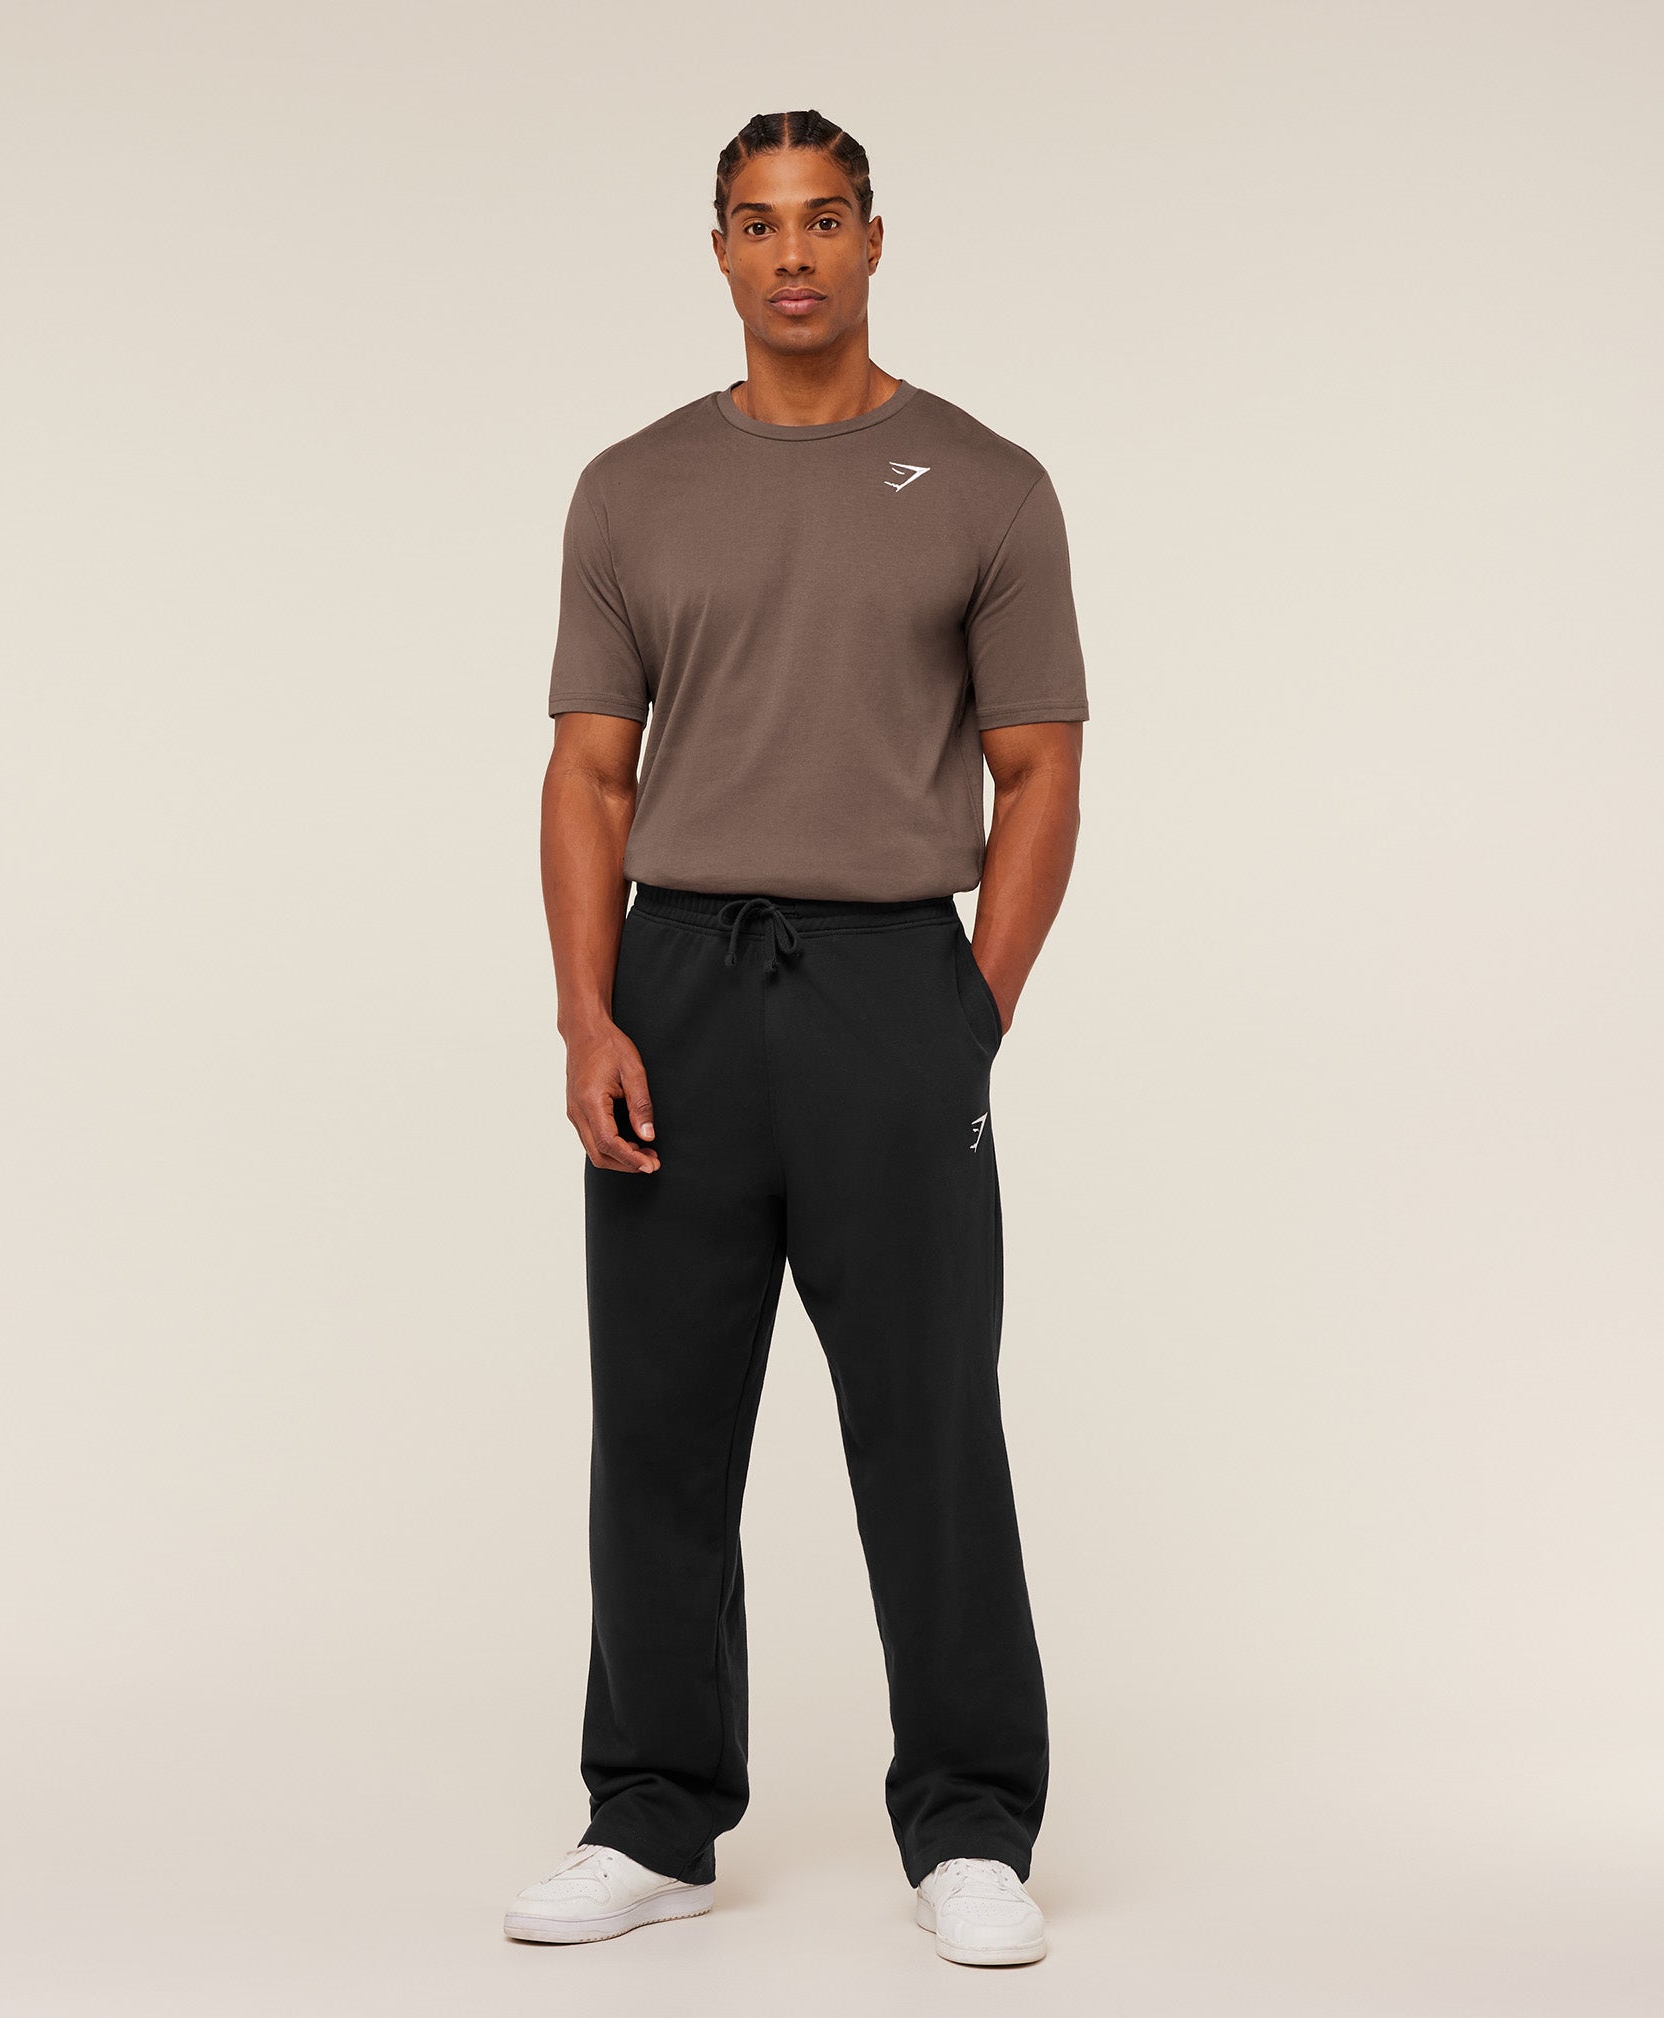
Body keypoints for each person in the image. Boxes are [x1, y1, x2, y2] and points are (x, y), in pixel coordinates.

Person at [504, 107, 1087, 1970]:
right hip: (677, 980)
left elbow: (1038, 770)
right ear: (720, 250)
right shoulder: (632, 488)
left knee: (929, 1419)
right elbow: (590, 775)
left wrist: (965, 1014)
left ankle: (972, 1824)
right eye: (759, 224)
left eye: (825, 219)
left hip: (890, 985)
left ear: (875, 238)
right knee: (660, 1423)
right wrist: (588, 1008)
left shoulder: (988, 484)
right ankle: (652, 1815)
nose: (794, 254)